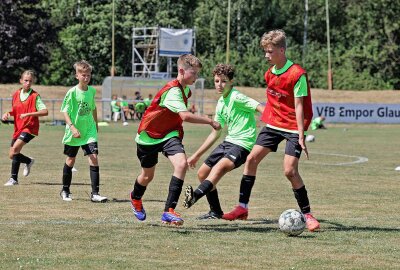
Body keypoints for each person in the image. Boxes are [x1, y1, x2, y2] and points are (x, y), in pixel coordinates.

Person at [223, 30, 320, 232]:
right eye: (265, 51)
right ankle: (242, 208)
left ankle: (308, 214)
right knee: (251, 160)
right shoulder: (269, 73)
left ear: (282, 50)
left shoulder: (297, 74)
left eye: (270, 51)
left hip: (293, 126)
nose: (266, 56)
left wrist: (301, 135)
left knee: (290, 171)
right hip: (274, 125)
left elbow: (300, 106)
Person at [129, 54, 221, 226]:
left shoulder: (186, 89)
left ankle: (168, 211)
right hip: (148, 136)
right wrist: (210, 120)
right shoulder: (173, 91)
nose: (196, 77)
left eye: (197, 74)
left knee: (181, 164)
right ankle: (135, 198)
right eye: (193, 73)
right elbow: (185, 116)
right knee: (147, 176)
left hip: (169, 134)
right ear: (181, 71)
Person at [182, 64, 264, 219]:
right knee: (202, 173)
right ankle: (215, 212)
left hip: (242, 144)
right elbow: (216, 132)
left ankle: (195, 196)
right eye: (217, 81)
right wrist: (196, 155)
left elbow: (261, 108)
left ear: (231, 81)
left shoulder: (237, 97)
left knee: (218, 168)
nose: (219, 85)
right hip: (228, 142)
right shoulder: (220, 102)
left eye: (224, 81)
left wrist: (274, 125)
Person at [60, 60, 107, 203]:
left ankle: (95, 194)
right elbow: (65, 111)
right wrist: (72, 127)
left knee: (93, 157)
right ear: (77, 76)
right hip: (74, 132)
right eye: (83, 75)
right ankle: (65, 190)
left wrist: (96, 124)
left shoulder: (92, 91)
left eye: (88, 75)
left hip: (89, 131)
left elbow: (93, 108)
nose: (86, 78)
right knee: (70, 160)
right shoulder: (72, 92)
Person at [2, 70, 48, 186]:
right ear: (21, 81)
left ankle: (13, 179)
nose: (28, 83)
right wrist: (7, 113)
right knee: (12, 154)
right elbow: (16, 110)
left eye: (30, 81)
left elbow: (45, 111)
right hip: (18, 127)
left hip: (30, 128)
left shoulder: (35, 96)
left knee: (15, 149)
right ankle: (28, 161)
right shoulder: (16, 94)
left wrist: (28, 114)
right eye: (26, 80)